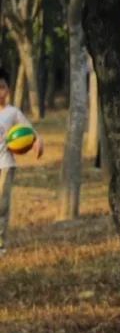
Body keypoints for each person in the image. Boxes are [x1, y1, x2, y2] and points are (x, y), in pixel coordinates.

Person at [0, 68, 44, 254]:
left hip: (6, 164)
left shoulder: (13, 112)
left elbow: (30, 131)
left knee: (2, 204)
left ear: (8, 90)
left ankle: (0, 244)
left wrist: (37, 142)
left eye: (2, 87)